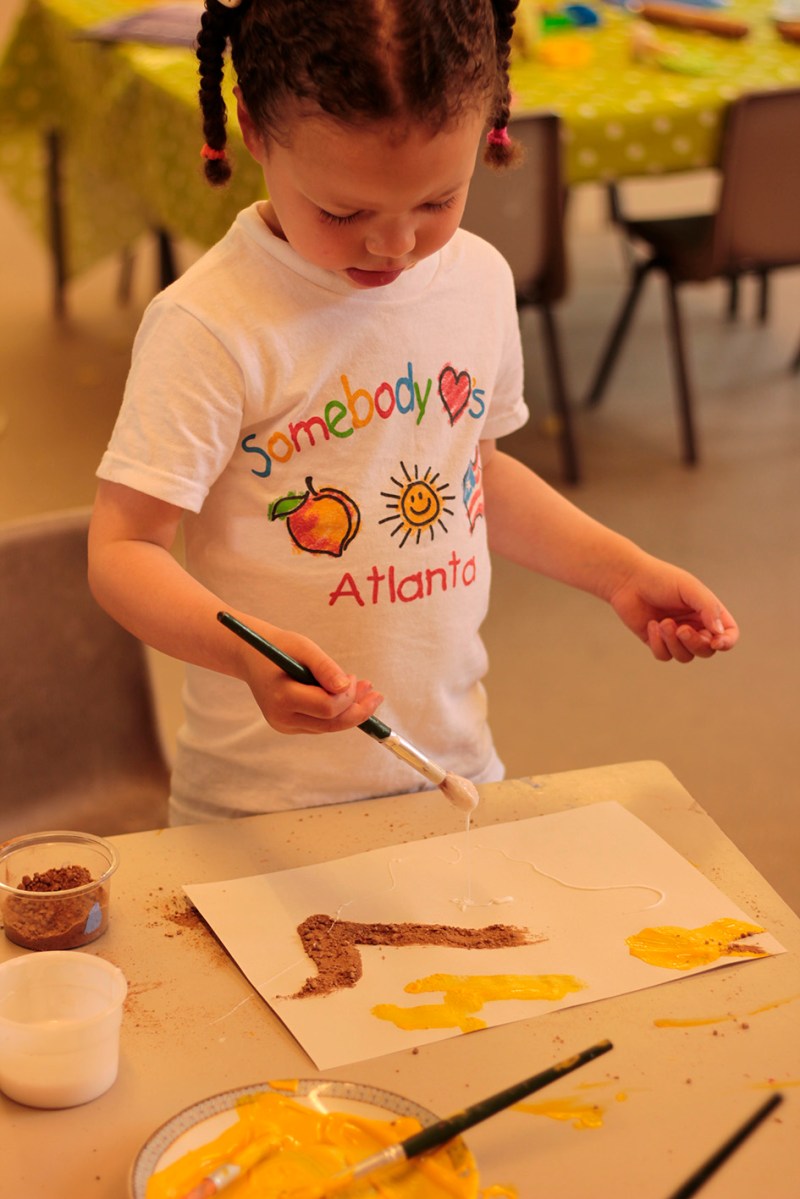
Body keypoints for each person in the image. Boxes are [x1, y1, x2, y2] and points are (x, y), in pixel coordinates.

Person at [88, 0, 738, 825]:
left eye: (439, 200)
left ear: (490, 123)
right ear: (252, 127)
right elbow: (122, 549)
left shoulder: (479, 281)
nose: (393, 245)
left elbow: (476, 473)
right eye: (343, 212)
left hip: (451, 774)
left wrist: (621, 572)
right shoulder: (212, 325)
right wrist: (243, 651)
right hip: (262, 807)